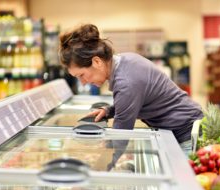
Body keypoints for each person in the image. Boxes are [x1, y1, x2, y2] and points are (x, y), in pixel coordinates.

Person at [58, 23, 203, 155]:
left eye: (81, 75)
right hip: (184, 128)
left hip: (186, 136)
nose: (83, 83)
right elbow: (137, 99)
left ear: (97, 62)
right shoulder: (125, 60)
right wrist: (109, 111)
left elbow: (120, 139)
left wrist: (98, 169)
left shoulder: (125, 82)